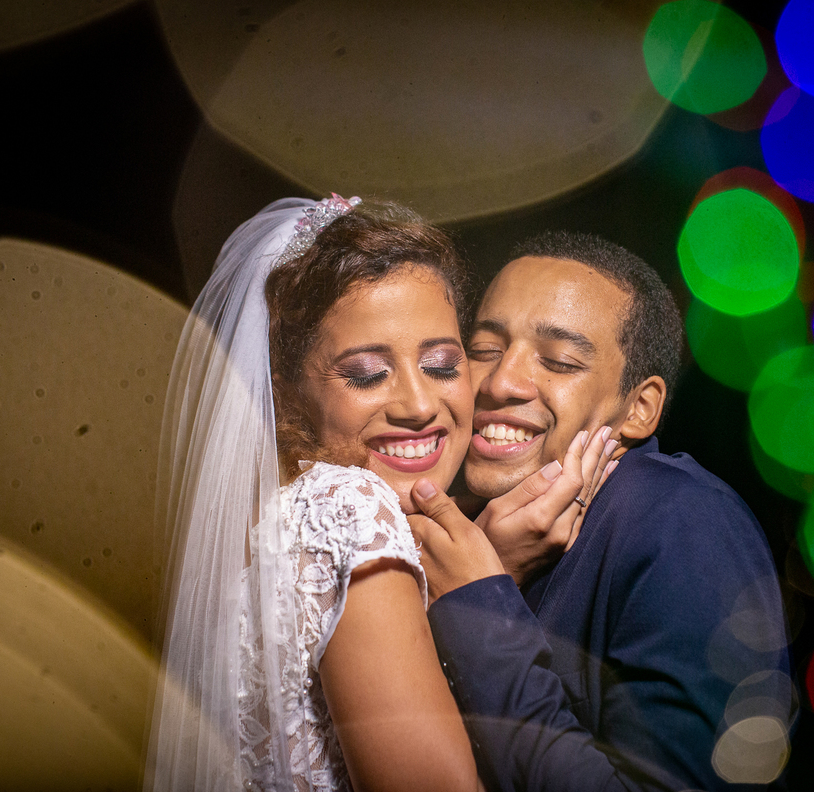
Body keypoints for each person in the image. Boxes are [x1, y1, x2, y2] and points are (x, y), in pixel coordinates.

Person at [146, 197, 611, 792]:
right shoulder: (350, 509)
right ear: (284, 390)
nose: (418, 406)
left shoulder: (256, 522)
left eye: (443, 365)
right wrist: (481, 596)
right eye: (367, 373)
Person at [409, 232, 793, 792]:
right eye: (484, 350)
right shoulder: (457, 515)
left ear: (638, 409)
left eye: (559, 362)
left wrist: (480, 610)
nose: (498, 381)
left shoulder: (680, 519)